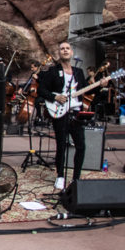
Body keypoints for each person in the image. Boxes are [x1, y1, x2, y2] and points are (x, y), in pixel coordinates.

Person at [37, 40, 105, 191]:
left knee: (81, 146)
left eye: (68, 48)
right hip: (60, 113)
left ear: (72, 52)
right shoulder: (53, 71)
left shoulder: (79, 72)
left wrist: (100, 86)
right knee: (61, 146)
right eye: (62, 49)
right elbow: (41, 90)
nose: (65, 50)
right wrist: (55, 97)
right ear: (59, 53)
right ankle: (60, 176)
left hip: (76, 113)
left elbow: (87, 91)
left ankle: (76, 178)